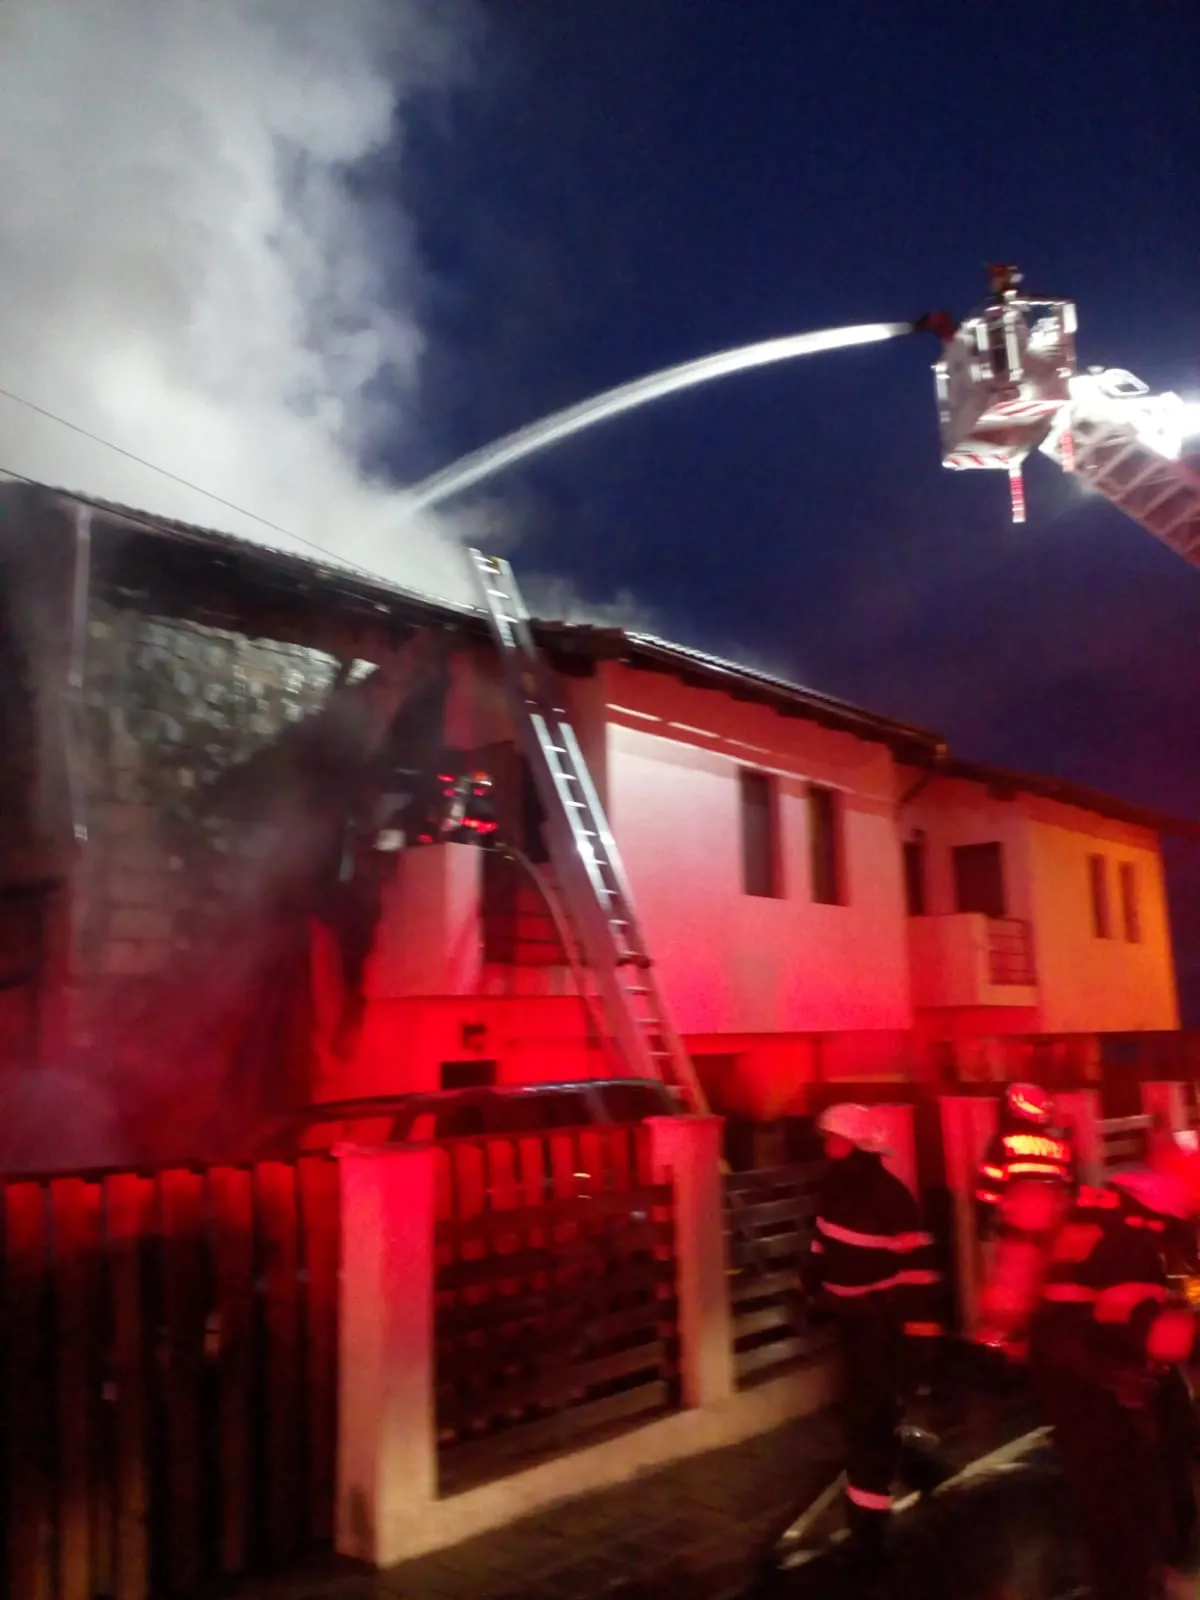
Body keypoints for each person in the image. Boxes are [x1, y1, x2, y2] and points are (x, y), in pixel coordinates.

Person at [1023, 1135, 1200, 1599]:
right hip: (1093, 1378)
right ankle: (1135, 1583)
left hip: (1075, 1366)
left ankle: (1150, 1569)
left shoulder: (1107, 1207)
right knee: (1120, 1493)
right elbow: (1150, 1329)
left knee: (1128, 1481)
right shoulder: (1137, 1235)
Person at [801, 1103, 946, 1576]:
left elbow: (918, 1272)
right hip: (852, 1324)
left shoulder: (892, 1198)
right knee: (869, 1416)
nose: (827, 1146)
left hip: (883, 1326)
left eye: (835, 1139)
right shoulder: (833, 1189)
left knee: (869, 1423)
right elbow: (823, 1242)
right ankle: (916, 1466)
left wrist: (919, 1337)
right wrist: (811, 1286)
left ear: (856, 1145)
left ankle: (869, 1534)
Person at [975, 1081, 1076, 1240]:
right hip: (1052, 1233)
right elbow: (1070, 1190)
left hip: (1015, 1232)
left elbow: (989, 1191)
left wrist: (984, 1223)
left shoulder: (1004, 1142)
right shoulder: (1060, 1147)